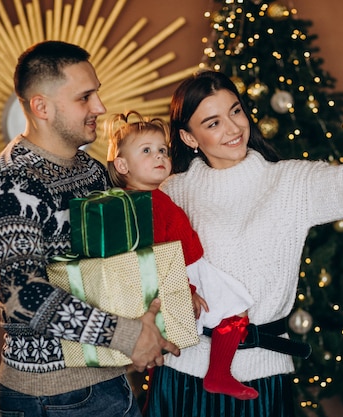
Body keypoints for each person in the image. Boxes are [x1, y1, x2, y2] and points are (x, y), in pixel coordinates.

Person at [144, 70, 343, 417]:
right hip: (181, 375)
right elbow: (145, 269)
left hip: (260, 378)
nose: (234, 129)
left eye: (235, 111)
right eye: (213, 122)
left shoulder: (289, 182)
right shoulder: (172, 191)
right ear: (190, 137)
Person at [0, 41, 179, 417]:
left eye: (96, 93)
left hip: (110, 378)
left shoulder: (92, 170)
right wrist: (129, 336)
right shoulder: (11, 185)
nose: (99, 107)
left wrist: (164, 315)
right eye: (85, 97)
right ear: (41, 107)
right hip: (52, 397)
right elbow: (23, 297)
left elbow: (114, 265)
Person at [106, 111, 258, 400]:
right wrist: (184, 290)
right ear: (122, 164)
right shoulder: (142, 205)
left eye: (162, 150)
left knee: (218, 315)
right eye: (147, 151)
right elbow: (153, 256)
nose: (159, 156)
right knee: (235, 308)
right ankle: (218, 374)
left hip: (187, 265)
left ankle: (216, 373)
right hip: (182, 271)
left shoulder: (154, 196)